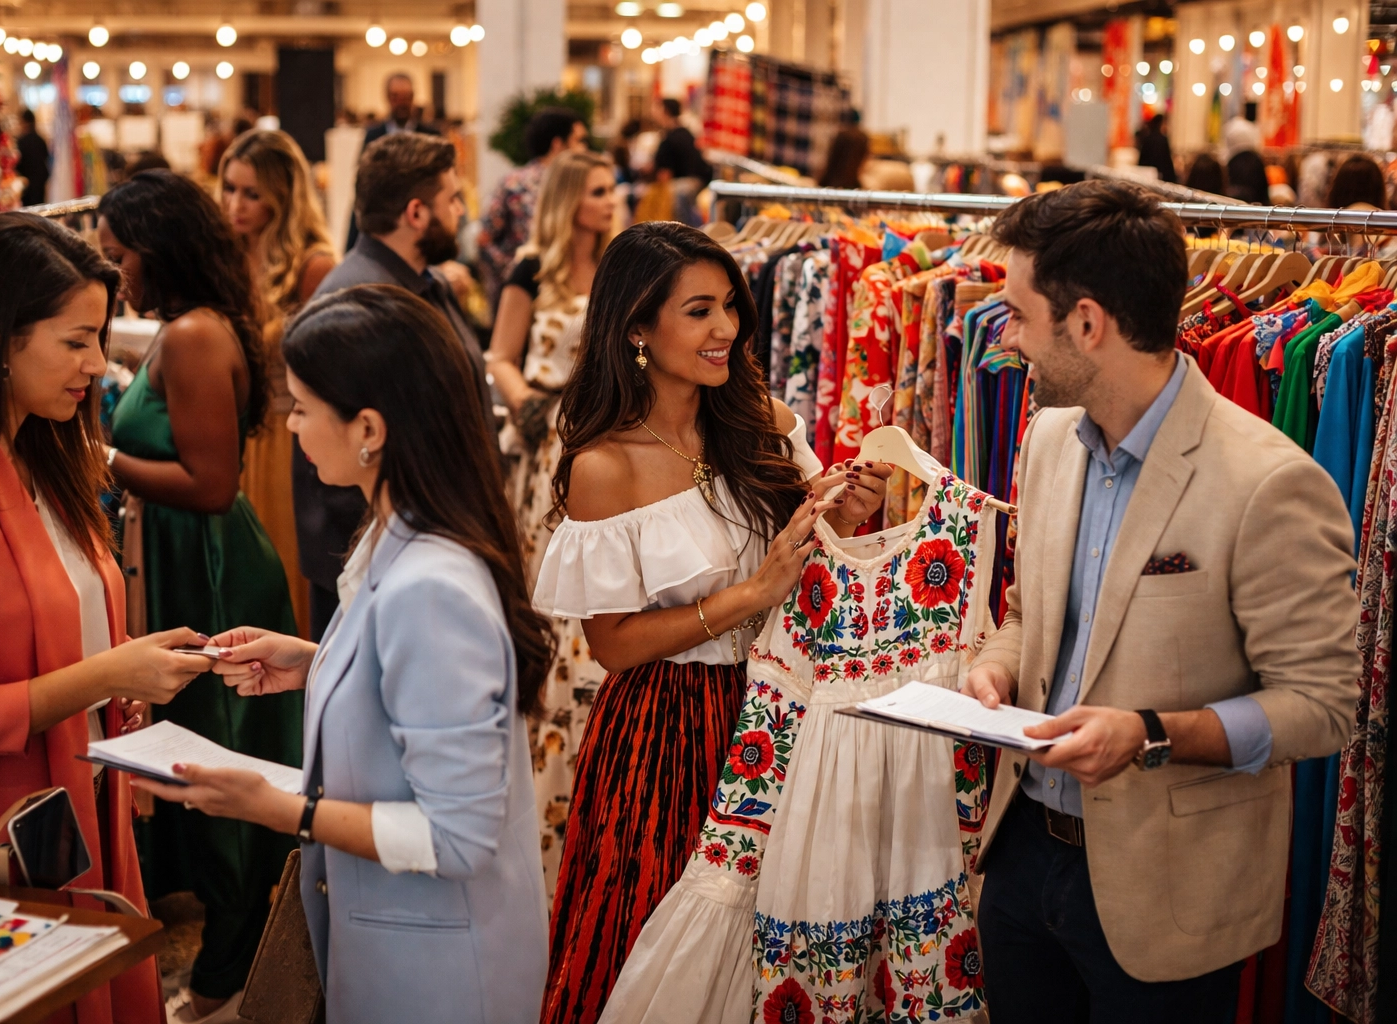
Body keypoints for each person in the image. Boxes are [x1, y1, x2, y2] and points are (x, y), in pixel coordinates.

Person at [960, 181, 1361, 1022]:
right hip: (1023, 855)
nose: (1008, 338)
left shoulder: (1268, 482)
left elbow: (1322, 707)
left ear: (1087, 323)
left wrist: (1148, 733)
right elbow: (1032, 613)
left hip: (1167, 893)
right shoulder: (1049, 439)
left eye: (1020, 316)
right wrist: (996, 668)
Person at [131, 284, 554, 1023]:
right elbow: (405, 673)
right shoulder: (396, 529)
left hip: (441, 970)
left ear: (368, 428)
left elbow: (457, 837)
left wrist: (275, 807)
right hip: (399, 939)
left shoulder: (432, 583)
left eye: (300, 407)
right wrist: (314, 659)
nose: (289, 425)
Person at [0, 213, 217, 1024]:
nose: (97, 364)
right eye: (76, 341)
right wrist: (107, 673)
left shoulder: (42, 461)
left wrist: (127, 670)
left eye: (98, 339)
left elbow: (57, 635)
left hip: (70, 803)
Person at [533, 222, 891, 1023]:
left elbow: (807, 561)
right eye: (698, 311)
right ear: (637, 327)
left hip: (782, 709)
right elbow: (613, 645)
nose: (726, 326)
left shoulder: (761, 422)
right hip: (665, 731)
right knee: (656, 936)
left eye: (729, 305)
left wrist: (842, 514)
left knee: (777, 934)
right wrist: (751, 594)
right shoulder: (605, 466)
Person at [98, 171, 303, 1024]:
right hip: (184, 557)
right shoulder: (190, 327)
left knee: (217, 762)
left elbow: (212, 486)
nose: (115, 273)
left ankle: (228, 968)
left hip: (212, 566)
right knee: (199, 757)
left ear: (158, 248)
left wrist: (102, 459)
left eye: (119, 254)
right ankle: (226, 946)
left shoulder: (191, 335)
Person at [296, 131, 494, 641]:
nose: (461, 212)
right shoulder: (356, 298)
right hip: (387, 560)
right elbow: (337, 455)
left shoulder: (424, 281)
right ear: (416, 213)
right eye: (453, 199)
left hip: (436, 539)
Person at [487, 150, 616, 894]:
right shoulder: (532, 270)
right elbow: (501, 354)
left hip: (595, 433)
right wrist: (528, 403)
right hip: (545, 440)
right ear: (571, 199)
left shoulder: (618, 267)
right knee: (542, 580)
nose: (610, 200)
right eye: (597, 191)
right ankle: (537, 720)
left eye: (611, 189)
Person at [219, 128, 338, 637]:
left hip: (288, 442)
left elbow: (330, 372)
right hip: (231, 438)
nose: (235, 205)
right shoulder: (225, 259)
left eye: (252, 193)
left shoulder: (313, 267)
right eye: (229, 188)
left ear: (283, 197)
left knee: (283, 576)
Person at [478, 106, 590, 306]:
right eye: (578, 140)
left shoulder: (580, 186)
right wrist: (514, 272)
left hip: (567, 292)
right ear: (558, 144)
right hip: (524, 296)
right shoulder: (514, 184)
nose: (584, 149)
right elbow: (485, 238)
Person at [342, 73, 441, 251]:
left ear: (413, 97)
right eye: (396, 97)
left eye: (406, 97)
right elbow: (364, 180)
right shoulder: (373, 135)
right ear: (387, 98)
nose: (401, 103)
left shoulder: (431, 135)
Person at [15, 108, 50, 206]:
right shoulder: (40, 140)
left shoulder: (21, 141)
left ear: (25, 122)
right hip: (40, 181)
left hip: (27, 183)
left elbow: (19, 163)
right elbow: (46, 157)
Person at [1134, 112, 1177, 183]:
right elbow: (1167, 162)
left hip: (1146, 177)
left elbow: (1142, 160)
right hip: (1160, 178)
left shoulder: (1147, 138)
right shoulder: (1163, 140)